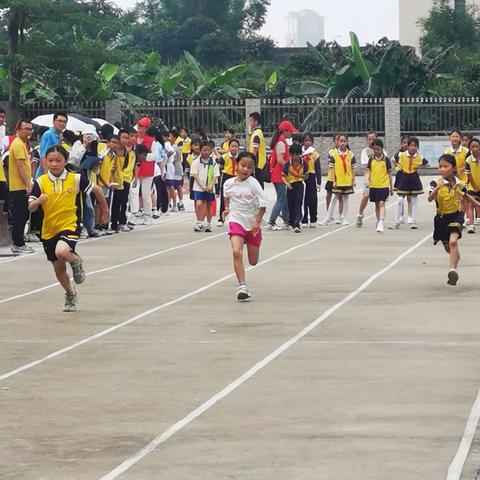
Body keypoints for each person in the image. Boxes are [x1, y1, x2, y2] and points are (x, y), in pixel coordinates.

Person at [28, 145, 109, 311]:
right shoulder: (40, 182)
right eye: (50, 160)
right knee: (58, 268)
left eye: (58, 160)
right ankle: (70, 294)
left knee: (62, 252)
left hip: (70, 223)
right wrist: (38, 201)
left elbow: (98, 190)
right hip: (49, 228)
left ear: (65, 161)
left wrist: (105, 211)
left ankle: (76, 260)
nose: (54, 164)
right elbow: (31, 207)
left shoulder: (76, 178)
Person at [428, 154, 480, 286]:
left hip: (456, 215)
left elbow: (466, 196)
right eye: (440, 166)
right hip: (441, 218)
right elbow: (429, 199)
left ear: (453, 168)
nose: (442, 169)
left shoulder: (459, 184)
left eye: (446, 166)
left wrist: (478, 205)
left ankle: (452, 270)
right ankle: (455, 256)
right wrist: (436, 189)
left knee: (453, 242)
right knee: (448, 247)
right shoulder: (435, 182)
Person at [222, 151, 267, 301]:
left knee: (253, 261)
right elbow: (227, 198)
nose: (245, 169)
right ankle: (242, 286)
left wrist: (257, 220)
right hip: (236, 220)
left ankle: (250, 240)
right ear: (237, 165)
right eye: (243, 165)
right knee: (236, 252)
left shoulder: (254, 184)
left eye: (249, 167)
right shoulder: (228, 183)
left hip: (252, 223)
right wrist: (227, 209)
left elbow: (263, 204)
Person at [8, 120, 35, 254]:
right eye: (26, 129)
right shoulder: (18, 144)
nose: (28, 131)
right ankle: (18, 243)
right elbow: (20, 167)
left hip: (22, 186)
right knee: (20, 216)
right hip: (19, 187)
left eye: (30, 129)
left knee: (23, 215)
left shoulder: (22, 145)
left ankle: (19, 242)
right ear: (18, 129)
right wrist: (27, 184)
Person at [266, 120, 297, 230]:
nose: (292, 133)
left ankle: (286, 221)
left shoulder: (281, 141)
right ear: (285, 131)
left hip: (280, 174)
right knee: (281, 199)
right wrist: (291, 167)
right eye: (290, 131)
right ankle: (271, 221)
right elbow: (280, 160)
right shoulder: (281, 143)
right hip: (279, 175)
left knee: (284, 198)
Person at [319, 133, 356, 226]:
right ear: (337, 143)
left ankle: (344, 217)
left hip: (347, 180)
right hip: (338, 180)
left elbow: (353, 168)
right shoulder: (334, 154)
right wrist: (334, 180)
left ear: (347, 142)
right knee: (334, 198)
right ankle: (328, 217)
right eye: (341, 141)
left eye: (344, 141)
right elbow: (332, 168)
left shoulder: (351, 154)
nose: (343, 143)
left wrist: (353, 180)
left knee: (345, 199)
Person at [392, 137, 427, 229]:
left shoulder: (419, 156)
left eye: (415, 146)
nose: (413, 148)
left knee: (414, 200)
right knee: (400, 200)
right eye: (411, 145)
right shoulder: (401, 155)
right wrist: (400, 167)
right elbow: (394, 161)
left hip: (414, 178)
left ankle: (414, 221)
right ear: (408, 146)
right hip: (404, 178)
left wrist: (418, 167)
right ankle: (396, 221)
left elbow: (426, 163)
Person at [190, 140, 220, 232]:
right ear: (200, 150)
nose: (206, 152)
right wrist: (202, 186)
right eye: (204, 150)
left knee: (209, 204)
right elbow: (195, 175)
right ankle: (199, 222)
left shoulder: (213, 162)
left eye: (208, 150)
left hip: (210, 187)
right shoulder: (196, 162)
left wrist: (211, 186)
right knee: (199, 204)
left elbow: (216, 175)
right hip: (198, 187)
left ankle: (208, 223)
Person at [365, 139, 393, 233]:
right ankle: (378, 220)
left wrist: (391, 188)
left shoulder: (386, 160)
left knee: (382, 203)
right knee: (377, 204)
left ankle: (381, 221)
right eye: (375, 149)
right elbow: (368, 171)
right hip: (374, 186)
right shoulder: (371, 160)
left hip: (384, 185)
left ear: (382, 149)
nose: (376, 151)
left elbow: (389, 174)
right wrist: (367, 180)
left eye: (378, 149)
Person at [282, 144, 309, 233]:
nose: (295, 157)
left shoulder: (304, 162)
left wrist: (298, 175)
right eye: (293, 155)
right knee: (291, 204)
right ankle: (292, 222)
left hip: (299, 185)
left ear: (300, 154)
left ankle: (297, 223)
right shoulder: (287, 163)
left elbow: (307, 176)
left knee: (298, 202)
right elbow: (283, 176)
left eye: (296, 155)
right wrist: (287, 184)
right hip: (290, 185)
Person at [356, 131, 378, 227]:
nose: (371, 141)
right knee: (366, 196)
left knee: (379, 200)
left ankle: (379, 220)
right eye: (369, 139)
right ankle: (360, 213)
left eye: (373, 139)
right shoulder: (365, 151)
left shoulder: (382, 151)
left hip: (379, 178)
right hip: (369, 177)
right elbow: (366, 165)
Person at [38, 112, 67, 178]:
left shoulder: (58, 136)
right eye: (59, 121)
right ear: (53, 122)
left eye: (64, 122)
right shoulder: (48, 134)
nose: (62, 123)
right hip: (47, 174)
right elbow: (43, 155)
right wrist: (47, 176)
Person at [218, 138, 240, 227]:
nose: (234, 148)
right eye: (232, 146)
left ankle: (237, 219)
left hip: (237, 177)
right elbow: (220, 168)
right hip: (227, 177)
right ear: (229, 147)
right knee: (224, 197)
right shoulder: (224, 157)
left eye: (236, 146)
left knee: (238, 197)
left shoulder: (240, 157)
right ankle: (221, 218)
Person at [301, 132, 321, 228]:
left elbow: (318, 168)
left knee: (312, 199)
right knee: (304, 199)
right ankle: (304, 219)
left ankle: (313, 218)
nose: (308, 143)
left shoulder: (315, 153)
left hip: (312, 177)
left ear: (312, 142)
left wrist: (319, 182)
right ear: (303, 142)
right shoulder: (300, 153)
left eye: (310, 141)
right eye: (306, 141)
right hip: (302, 176)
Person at [248, 112, 267, 190]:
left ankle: (260, 201)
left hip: (257, 164)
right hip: (259, 163)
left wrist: (250, 163)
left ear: (256, 122)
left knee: (258, 185)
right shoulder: (257, 133)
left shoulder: (256, 134)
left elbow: (254, 151)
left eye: (251, 120)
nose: (249, 122)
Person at [465, 137, 480, 233]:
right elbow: (468, 174)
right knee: (470, 204)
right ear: (470, 148)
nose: (474, 148)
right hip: (472, 186)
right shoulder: (468, 160)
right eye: (472, 146)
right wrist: (474, 186)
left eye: (476, 146)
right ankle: (471, 225)